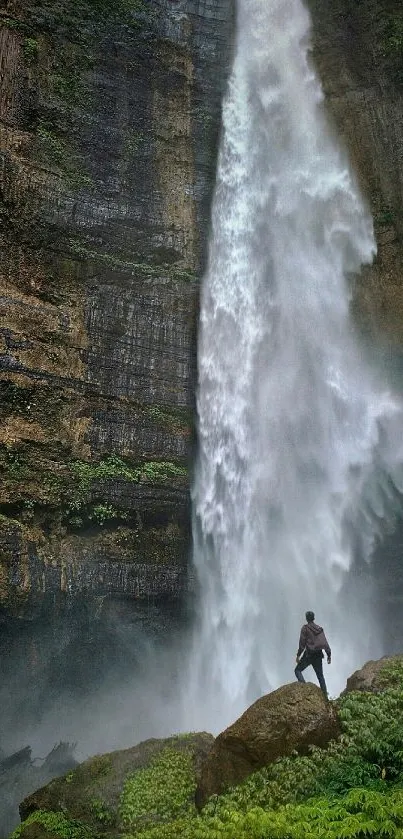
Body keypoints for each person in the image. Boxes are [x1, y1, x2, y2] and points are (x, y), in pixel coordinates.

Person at [295, 611, 331, 698]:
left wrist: (298, 655)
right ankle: (325, 697)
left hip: (309, 655)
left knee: (297, 670)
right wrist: (329, 655)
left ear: (306, 618)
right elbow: (325, 643)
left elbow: (302, 644)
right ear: (313, 618)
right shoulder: (319, 629)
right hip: (318, 655)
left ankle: (304, 688)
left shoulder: (305, 628)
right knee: (320, 676)